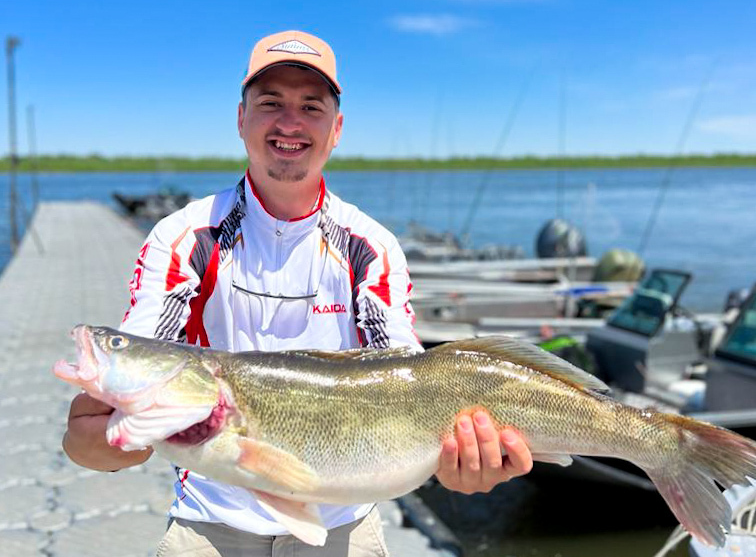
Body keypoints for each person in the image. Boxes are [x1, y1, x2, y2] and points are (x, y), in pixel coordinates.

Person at [62, 30, 533, 555]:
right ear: (241, 119)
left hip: (343, 526)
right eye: (270, 103)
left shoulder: (370, 246)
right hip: (209, 524)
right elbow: (93, 439)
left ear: (337, 129)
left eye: (311, 106)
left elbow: (406, 381)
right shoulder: (183, 238)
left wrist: (466, 466)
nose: (290, 123)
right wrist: (111, 441)